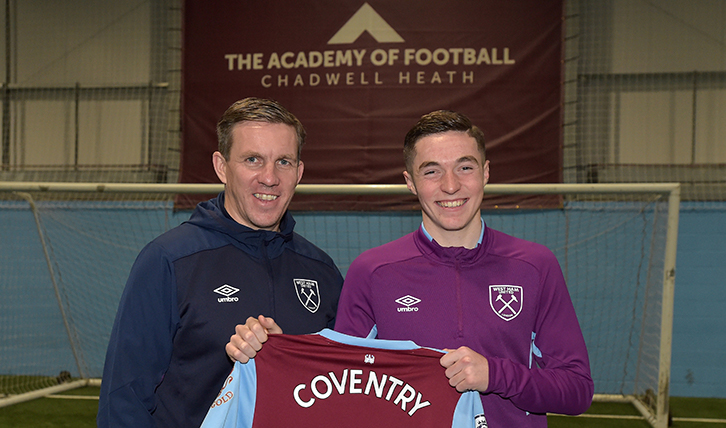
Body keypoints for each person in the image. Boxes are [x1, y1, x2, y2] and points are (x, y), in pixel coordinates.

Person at [228, 110, 593, 427]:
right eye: (431, 171)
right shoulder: (373, 271)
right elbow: (339, 382)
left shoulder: (534, 266)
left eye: (464, 167)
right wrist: (279, 351)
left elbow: (576, 391)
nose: (451, 186)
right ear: (410, 182)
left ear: (485, 173)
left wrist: (494, 375)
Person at [97, 97, 344, 428]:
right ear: (221, 166)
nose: (269, 178)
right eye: (253, 159)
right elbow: (124, 399)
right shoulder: (169, 260)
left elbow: (340, 389)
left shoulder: (321, 271)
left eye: (283, 161)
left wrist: (285, 353)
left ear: (299, 172)